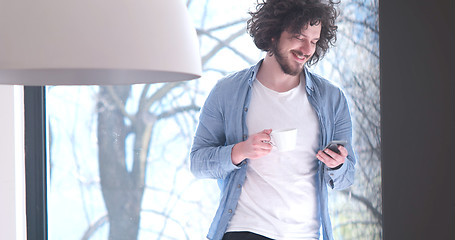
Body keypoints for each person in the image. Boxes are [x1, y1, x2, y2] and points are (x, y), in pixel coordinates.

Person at [190, 0, 357, 239]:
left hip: (305, 234)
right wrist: (240, 150)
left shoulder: (332, 99)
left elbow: (347, 175)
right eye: (299, 37)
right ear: (272, 34)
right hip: (244, 231)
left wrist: (337, 165)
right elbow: (197, 162)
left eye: (314, 41)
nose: (307, 49)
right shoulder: (226, 92)